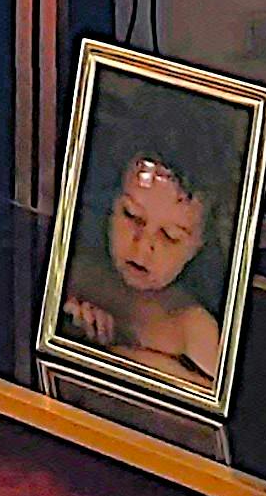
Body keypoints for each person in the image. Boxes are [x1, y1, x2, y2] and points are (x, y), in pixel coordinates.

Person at [59, 146, 226, 392]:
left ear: (198, 247)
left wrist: (119, 352)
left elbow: (210, 400)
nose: (142, 246)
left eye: (170, 236)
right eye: (132, 215)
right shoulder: (73, 269)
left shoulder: (194, 327)